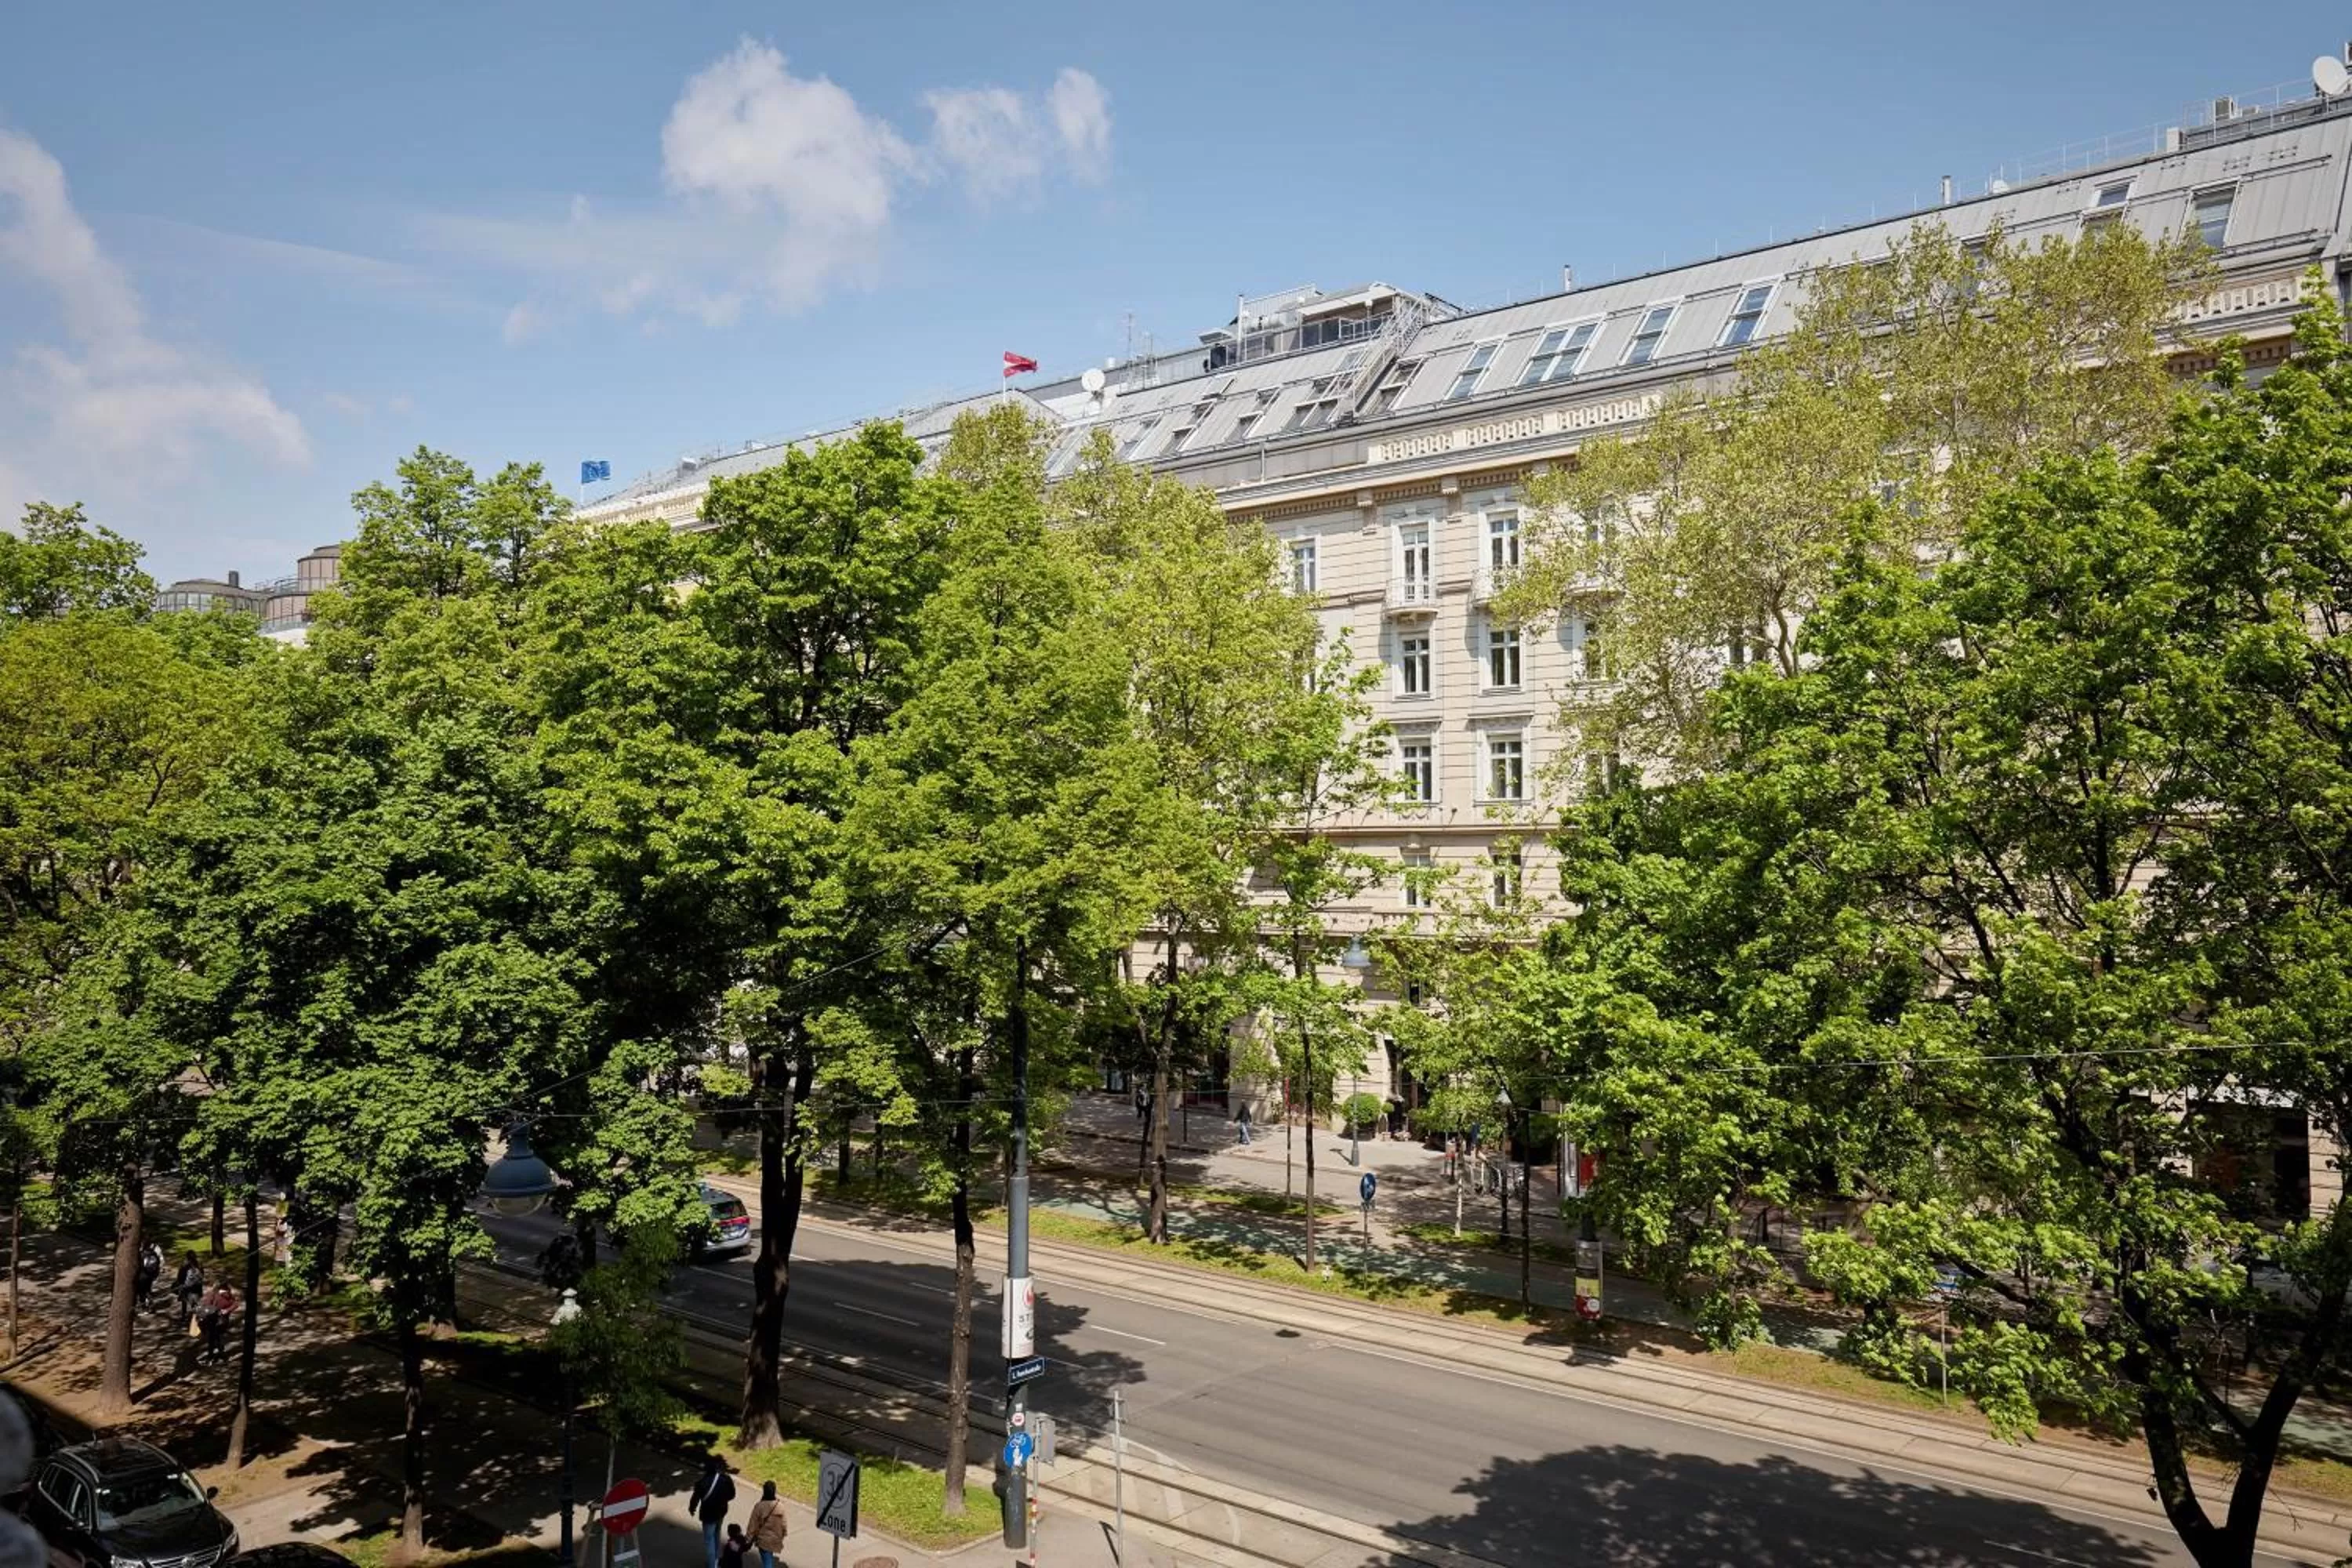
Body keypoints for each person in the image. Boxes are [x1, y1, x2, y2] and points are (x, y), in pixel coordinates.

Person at [688, 1454, 735, 1568]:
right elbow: (732, 1495)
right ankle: (716, 1561)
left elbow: (695, 1499)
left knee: (709, 1541)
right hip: (721, 1512)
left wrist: (692, 1509)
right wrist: (723, 1500)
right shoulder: (726, 1479)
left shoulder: (702, 1483)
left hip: (708, 1515)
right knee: (717, 1535)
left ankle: (712, 1565)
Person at [746, 1479, 786, 1568]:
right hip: (775, 1539)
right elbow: (784, 1524)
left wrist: (748, 1539)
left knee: (767, 1563)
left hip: (763, 1540)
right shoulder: (780, 1506)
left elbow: (752, 1524)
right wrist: (782, 1536)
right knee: (768, 1558)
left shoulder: (759, 1506)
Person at [198, 1281, 236, 1364]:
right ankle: (220, 1354)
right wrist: (227, 1310)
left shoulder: (215, 1294)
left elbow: (207, 1305)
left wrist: (226, 1310)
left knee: (213, 1338)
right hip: (220, 1320)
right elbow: (235, 1304)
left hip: (215, 1320)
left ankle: (212, 1356)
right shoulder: (226, 1295)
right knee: (217, 1337)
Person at [171, 1252, 205, 1330]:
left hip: (186, 1288)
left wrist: (180, 1284)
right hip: (197, 1288)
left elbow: (180, 1277)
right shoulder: (199, 1265)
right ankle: (196, 1320)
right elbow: (202, 1275)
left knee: (184, 1302)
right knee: (195, 1304)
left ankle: (183, 1317)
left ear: (187, 1258)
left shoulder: (184, 1266)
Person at [135, 1241, 162, 1312]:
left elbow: (138, 1265)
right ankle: (151, 1306)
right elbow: (158, 1263)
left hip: (142, 1276)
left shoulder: (142, 1254)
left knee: (141, 1292)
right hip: (150, 1276)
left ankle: (143, 1307)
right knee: (148, 1291)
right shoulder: (154, 1253)